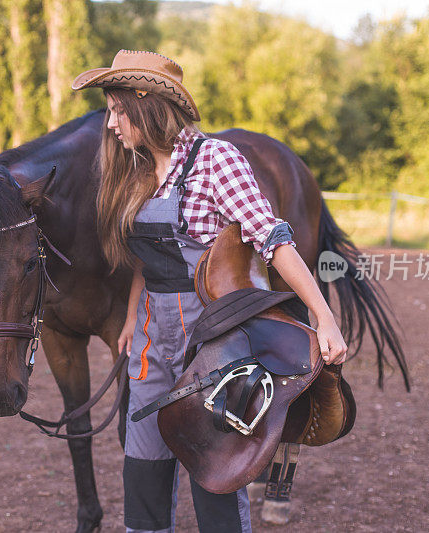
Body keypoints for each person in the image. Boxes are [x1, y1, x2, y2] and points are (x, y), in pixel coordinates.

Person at [71, 49, 347, 533]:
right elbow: (144, 263)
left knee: (216, 457)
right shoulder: (134, 172)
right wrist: (133, 322)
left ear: (147, 103)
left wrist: (322, 315)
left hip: (213, 331)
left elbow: (273, 238)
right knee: (143, 454)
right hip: (152, 335)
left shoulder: (216, 160)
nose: (110, 124)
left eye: (117, 110)